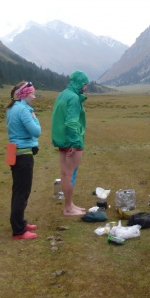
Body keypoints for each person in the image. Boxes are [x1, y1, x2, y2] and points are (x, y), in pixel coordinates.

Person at [51, 71, 90, 216]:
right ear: (80, 83)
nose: (85, 88)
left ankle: (70, 204)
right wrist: (75, 142)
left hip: (62, 139)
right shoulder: (73, 98)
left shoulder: (63, 94)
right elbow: (71, 122)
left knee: (65, 173)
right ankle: (68, 208)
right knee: (68, 174)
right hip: (71, 141)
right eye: (85, 85)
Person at [6, 81, 41, 240]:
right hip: (23, 153)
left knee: (17, 189)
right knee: (22, 192)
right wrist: (35, 117)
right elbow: (36, 131)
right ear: (24, 94)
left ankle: (19, 221)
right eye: (32, 93)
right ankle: (19, 230)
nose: (34, 96)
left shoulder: (12, 108)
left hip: (13, 151)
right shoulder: (25, 111)